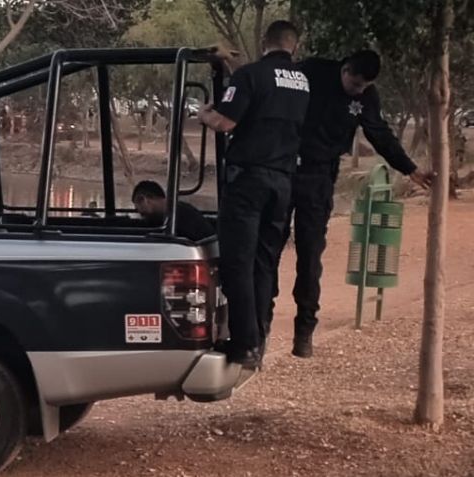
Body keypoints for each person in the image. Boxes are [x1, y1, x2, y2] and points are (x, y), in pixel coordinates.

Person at [269, 50, 432, 359]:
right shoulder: (311, 71)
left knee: (310, 254)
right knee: (270, 249)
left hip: (320, 177)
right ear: (344, 69)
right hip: (285, 169)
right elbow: (273, 83)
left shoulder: (367, 96)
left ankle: (304, 331)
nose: (358, 90)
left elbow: (379, 134)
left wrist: (409, 168)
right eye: (355, 83)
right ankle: (261, 322)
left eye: (364, 86)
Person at [198, 20, 310, 369]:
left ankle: (244, 344)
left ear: (265, 41)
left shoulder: (250, 76)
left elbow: (226, 122)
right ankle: (258, 340)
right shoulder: (302, 81)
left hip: (249, 182)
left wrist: (203, 114)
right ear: (294, 46)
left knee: (237, 262)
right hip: (283, 182)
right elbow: (266, 93)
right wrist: (234, 67)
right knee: (264, 264)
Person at [132, 180, 215, 241]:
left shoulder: (182, 216)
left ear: (143, 199)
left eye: (138, 208)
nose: (139, 212)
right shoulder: (169, 214)